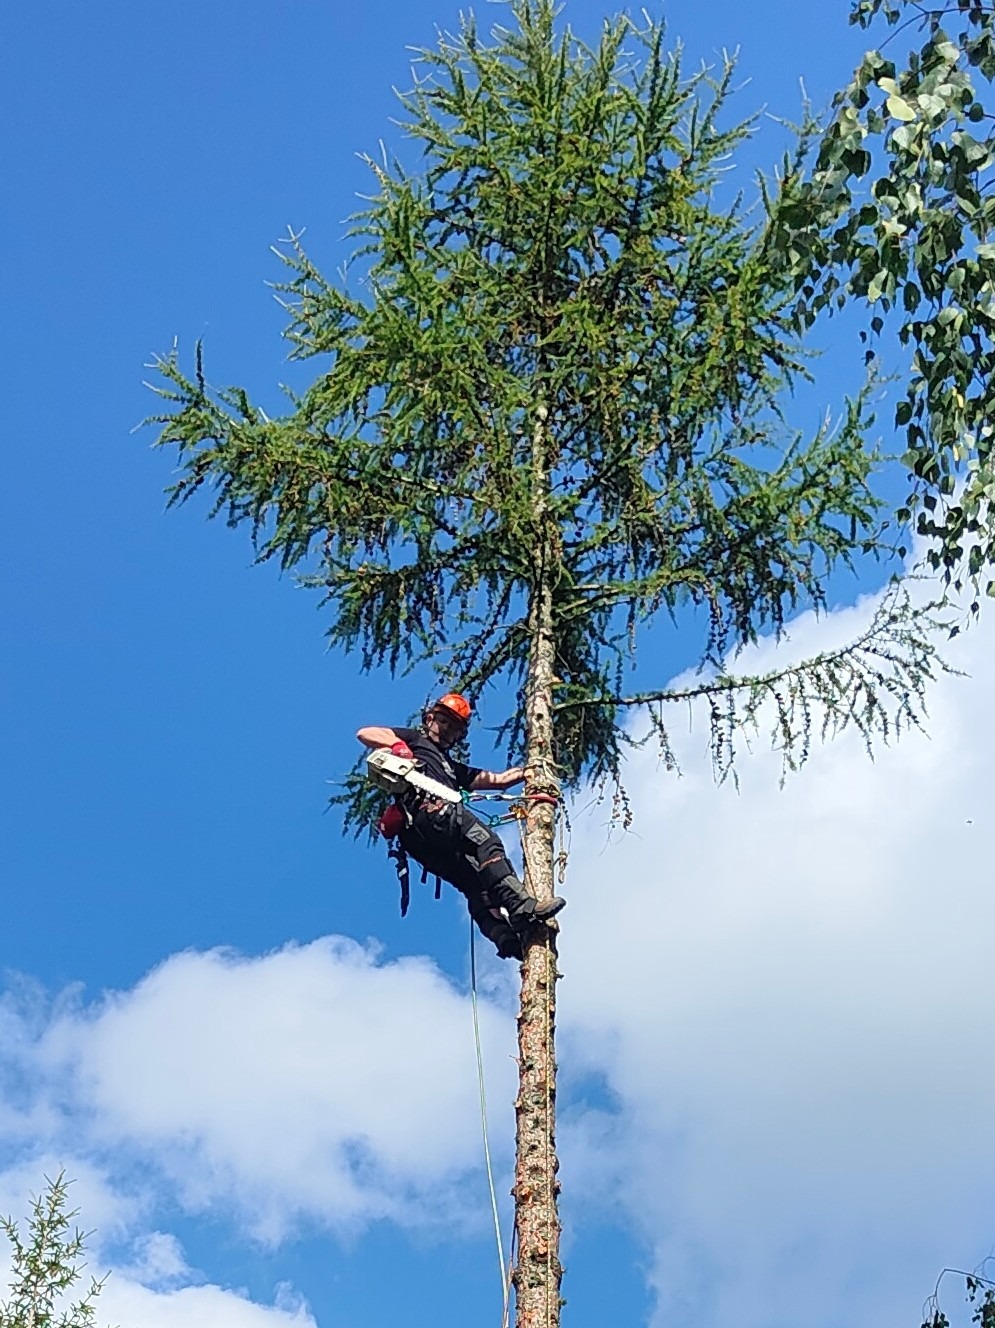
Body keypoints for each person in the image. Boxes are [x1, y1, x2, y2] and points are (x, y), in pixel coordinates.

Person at [356, 692, 566, 960]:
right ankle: (521, 907)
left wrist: (531, 770)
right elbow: (366, 733)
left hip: (425, 843)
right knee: (486, 842)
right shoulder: (415, 740)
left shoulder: (452, 769)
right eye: (444, 722)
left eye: (455, 729)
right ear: (430, 718)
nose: (447, 731)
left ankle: (504, 938)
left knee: (476, 882)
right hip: (432, 813)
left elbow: (498, 780)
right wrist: (400, 748)